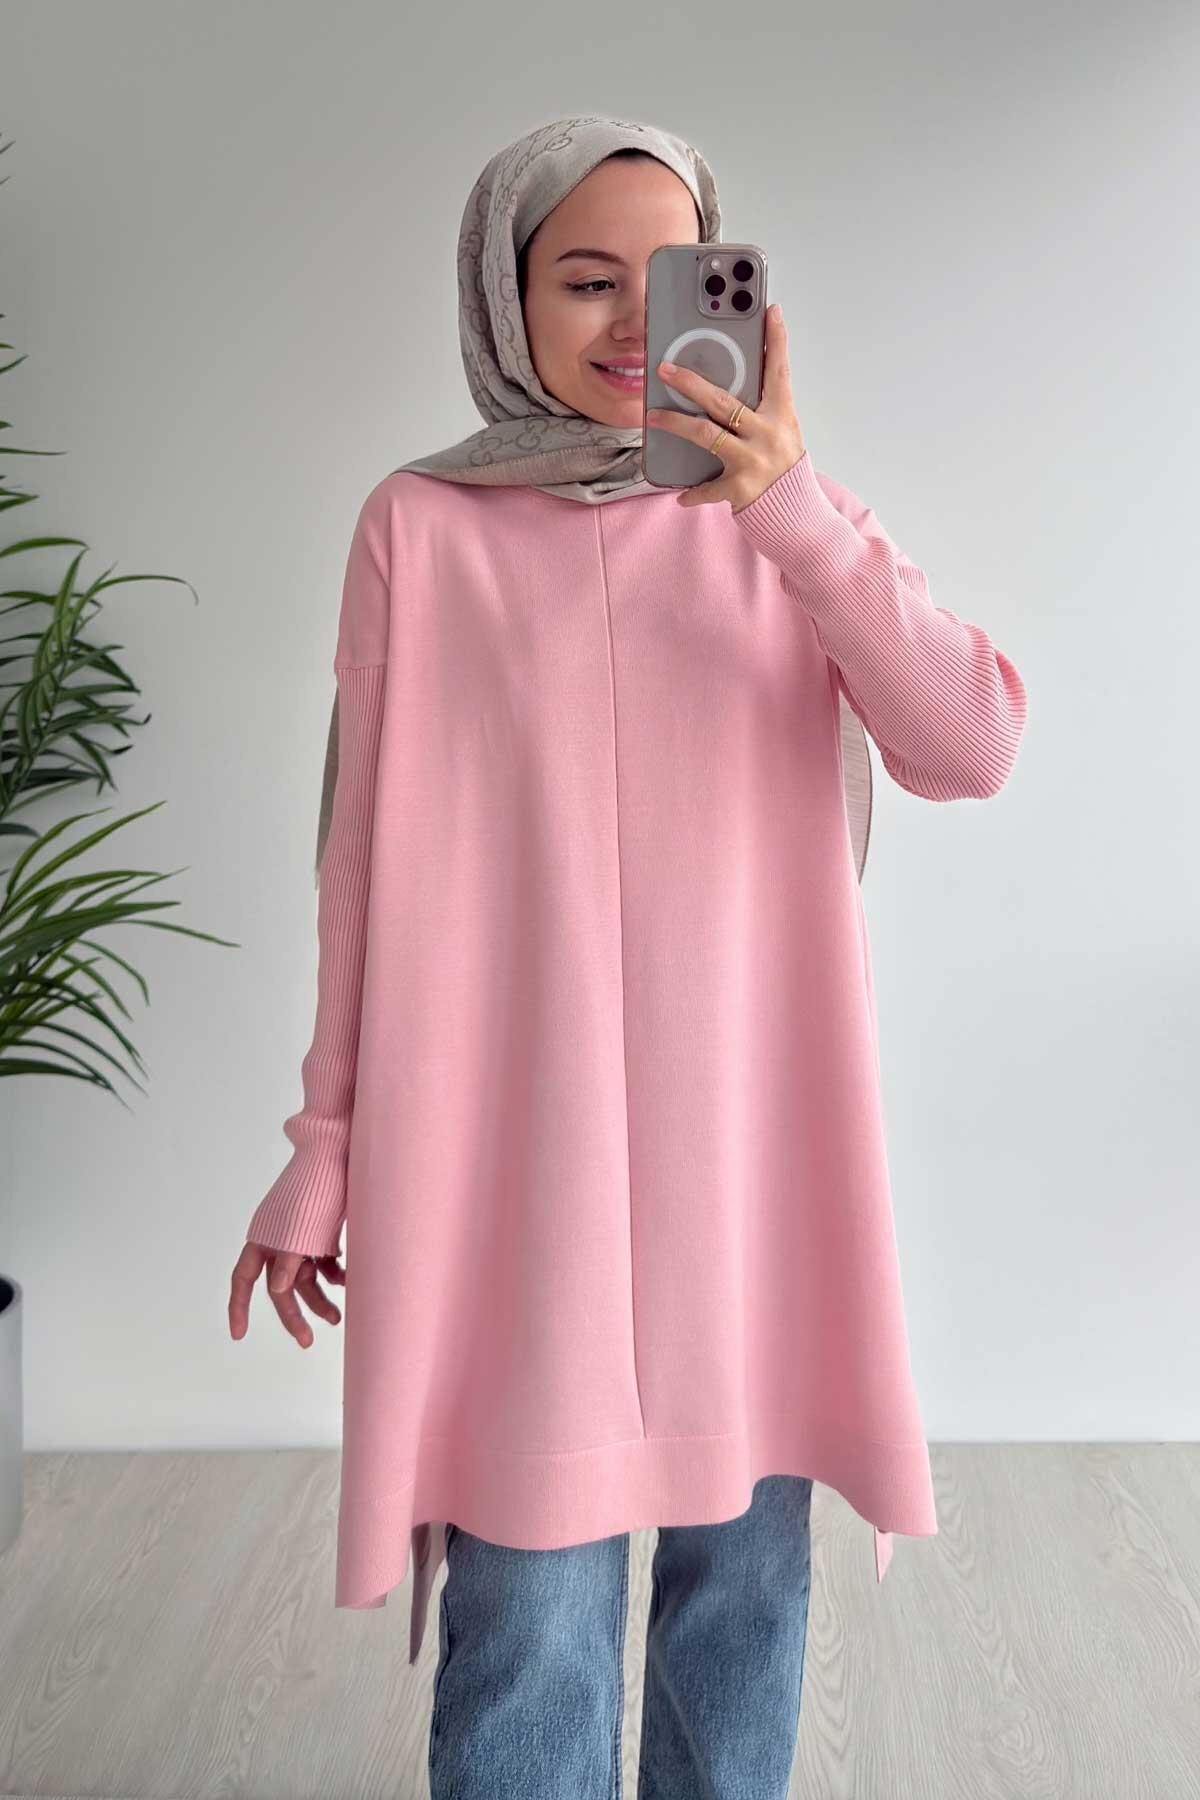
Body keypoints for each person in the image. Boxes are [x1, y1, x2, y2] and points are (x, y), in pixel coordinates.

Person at [227, 116, 1028, 1798]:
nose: (627, 324)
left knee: (745, 1595)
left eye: (670, 282)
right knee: (529, 1615)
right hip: (518, 1170)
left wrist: (789, 511)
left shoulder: (785, 525)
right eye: (585, 280)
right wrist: (326, 1145)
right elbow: (357, 860)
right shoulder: (420, 529)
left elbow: (970, 744)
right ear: (502, 296)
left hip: (747, 1160)